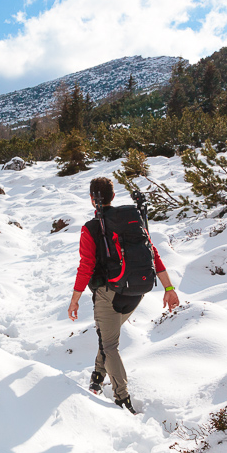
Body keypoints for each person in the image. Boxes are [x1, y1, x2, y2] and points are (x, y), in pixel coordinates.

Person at [67, 177, 180, 414]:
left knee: (109, 344)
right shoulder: (133, 220)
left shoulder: (91, 228)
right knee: (106, 336)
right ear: (113, 197)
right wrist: (169, 288)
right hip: (136, 292)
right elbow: (153, 253)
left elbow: (86, 265)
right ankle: (98, 375)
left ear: (91, 198)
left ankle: (122, 398)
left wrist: (75, 298)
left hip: (109, 293)